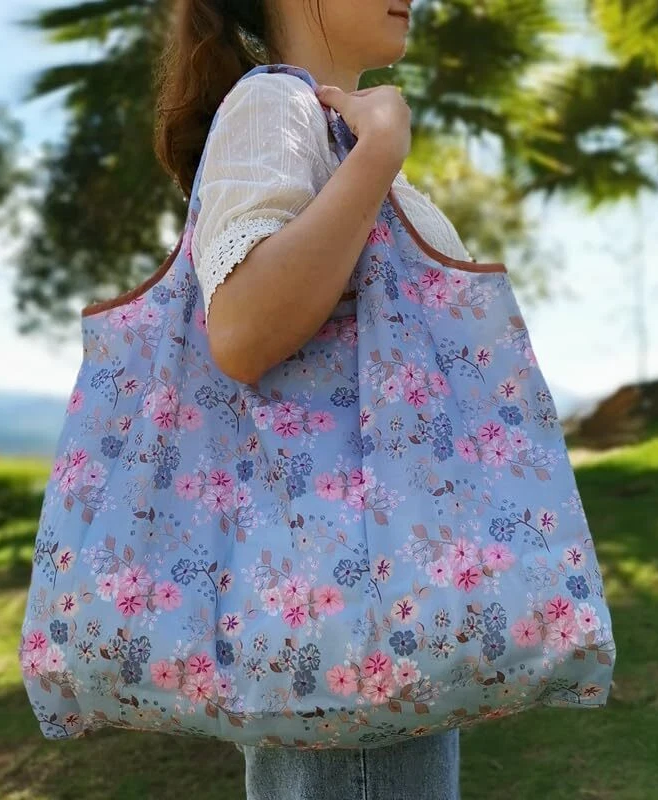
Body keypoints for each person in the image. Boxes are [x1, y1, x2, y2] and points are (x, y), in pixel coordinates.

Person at [154, 1, 462, 797]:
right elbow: (242, 328)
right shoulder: (276, 105)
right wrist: (380, 152)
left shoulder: (325, 129)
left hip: (379, 591)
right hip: (348, 604)